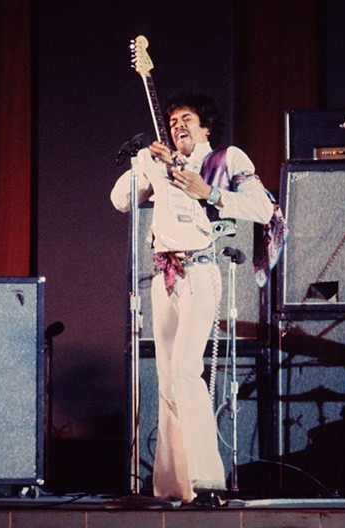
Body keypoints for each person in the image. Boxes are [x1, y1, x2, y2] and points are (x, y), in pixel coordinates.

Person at [110, 92, 287, 503]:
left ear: (205, 126)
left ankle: (209, 480)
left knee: (189, 370)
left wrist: (210, 193)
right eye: (172, 123)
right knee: (168, 380)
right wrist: (143, 163)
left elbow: (263, 208)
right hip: (164, 275)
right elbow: (120, 201)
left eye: (186, 119)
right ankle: (172, 486)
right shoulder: (161, 164)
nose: (177, 127)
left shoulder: (225, 159)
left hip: (201, 271)